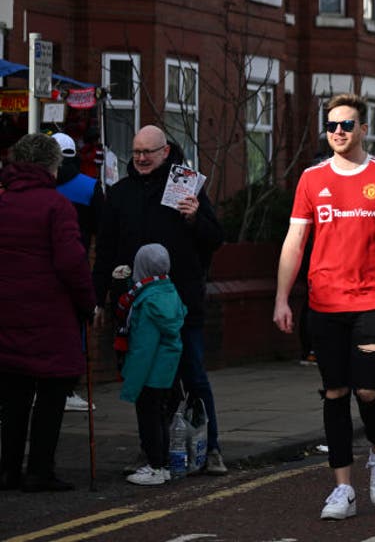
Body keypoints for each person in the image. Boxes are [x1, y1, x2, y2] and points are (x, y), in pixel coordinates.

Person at [273, 94, 375, 520]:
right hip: (324, 302)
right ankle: (342, 488)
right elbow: (294, 242)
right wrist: (282, 298)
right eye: (331, 125)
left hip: (374, 299)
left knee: (367, 390)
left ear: (363, 129)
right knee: (335, 392)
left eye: (346, 124)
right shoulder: (311, 179)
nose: (337, 131)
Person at [93, 124, 226, 473]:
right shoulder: (120, 193)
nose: (140, 158)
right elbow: (105, 249)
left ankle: (210, 449)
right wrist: (98, 297)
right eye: (136, 152)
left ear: (164, 152)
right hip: (136, 305)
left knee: (193, 375)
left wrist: (195, 218)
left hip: (182, 303)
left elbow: (215, 238)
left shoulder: (186, 187)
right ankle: (153, 451)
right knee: (146, 381)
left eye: (147, 152)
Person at [0, 133, 95, 491]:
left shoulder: (3, 202)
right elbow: (73, 263)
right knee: (52, 394)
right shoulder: (57, 207)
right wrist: (87, 303)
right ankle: (40, 470)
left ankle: (8, 469)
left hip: (7, 315)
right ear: (51, 167)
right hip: (51, 318)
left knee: (14, 396)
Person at [119, 244, 187, 486]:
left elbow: (143, 348)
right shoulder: (170, 292)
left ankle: (155, 467)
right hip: (167, 371)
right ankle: (163, 465)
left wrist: (131, 381)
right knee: (160, 418)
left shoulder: (146, 301)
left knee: (148, 420)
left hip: (150, 373)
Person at [51, 132, 99, 414]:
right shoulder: (90, 186)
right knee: (74, 328)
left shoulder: (41, 186)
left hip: (42, 270)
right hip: (76, 266)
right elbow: (102, 230)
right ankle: (68, 388)